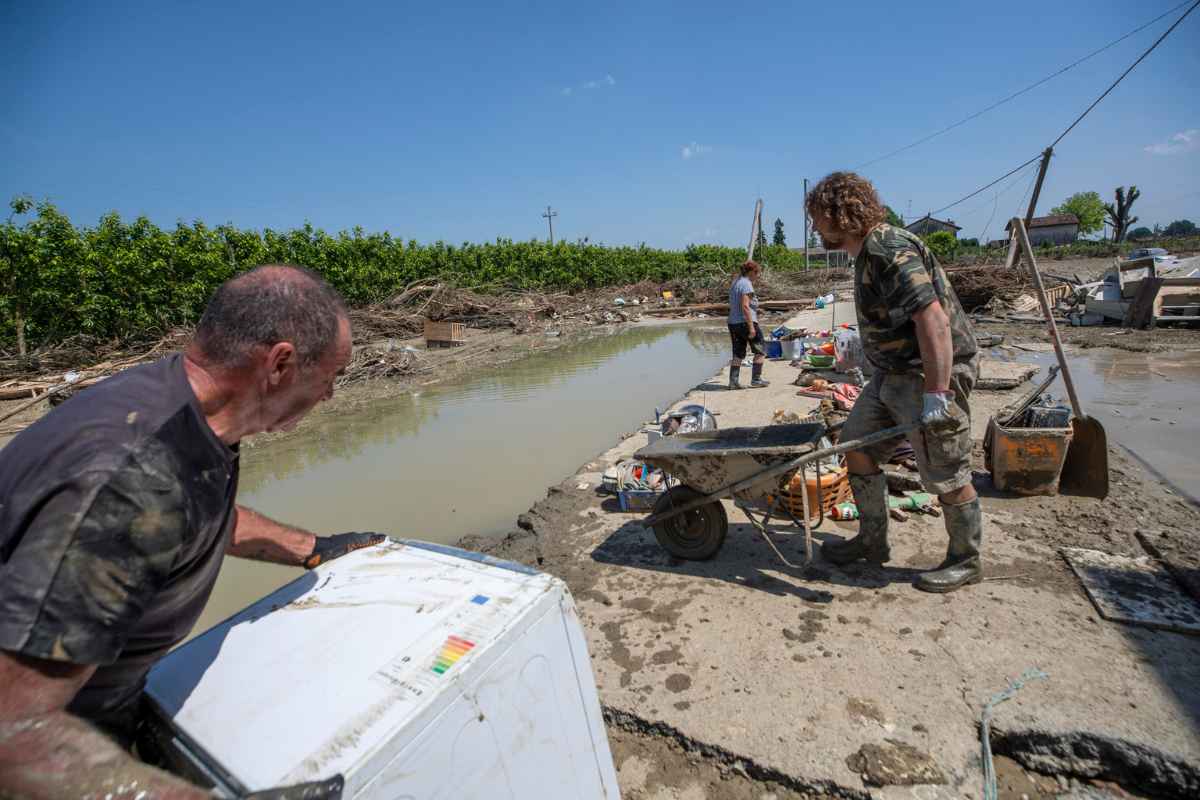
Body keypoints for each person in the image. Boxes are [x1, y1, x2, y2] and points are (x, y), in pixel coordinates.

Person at [0, 265, 386, 798]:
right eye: (331, 375)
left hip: (107, 706)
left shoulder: (176, 406)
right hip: (56, 749)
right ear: (279, 364)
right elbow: (10, 733)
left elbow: (185, 514)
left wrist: (310, 548)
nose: (331, 395)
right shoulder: (130, 480)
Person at [805, 172, 983, 593]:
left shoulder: (888, 248)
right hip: (892, 375)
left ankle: (967, 559)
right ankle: (872, 540)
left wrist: (938, 394)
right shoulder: (867, 252)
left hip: (926, 374)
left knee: (946, 470)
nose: (814, 227)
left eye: (817, 218)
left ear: (840, 212)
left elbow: (933, 319)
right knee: (857, 447)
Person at [727, 259, 769, 389]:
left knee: (738, 353)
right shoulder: (746, 284)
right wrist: (751, 327)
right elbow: (745, 306)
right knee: (760, 350)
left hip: (733, 322)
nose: (757, 276)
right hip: (745, 322)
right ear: (751, 272)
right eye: (757, 273)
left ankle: (733, 382)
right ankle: (756, 380)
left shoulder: (735, 283)